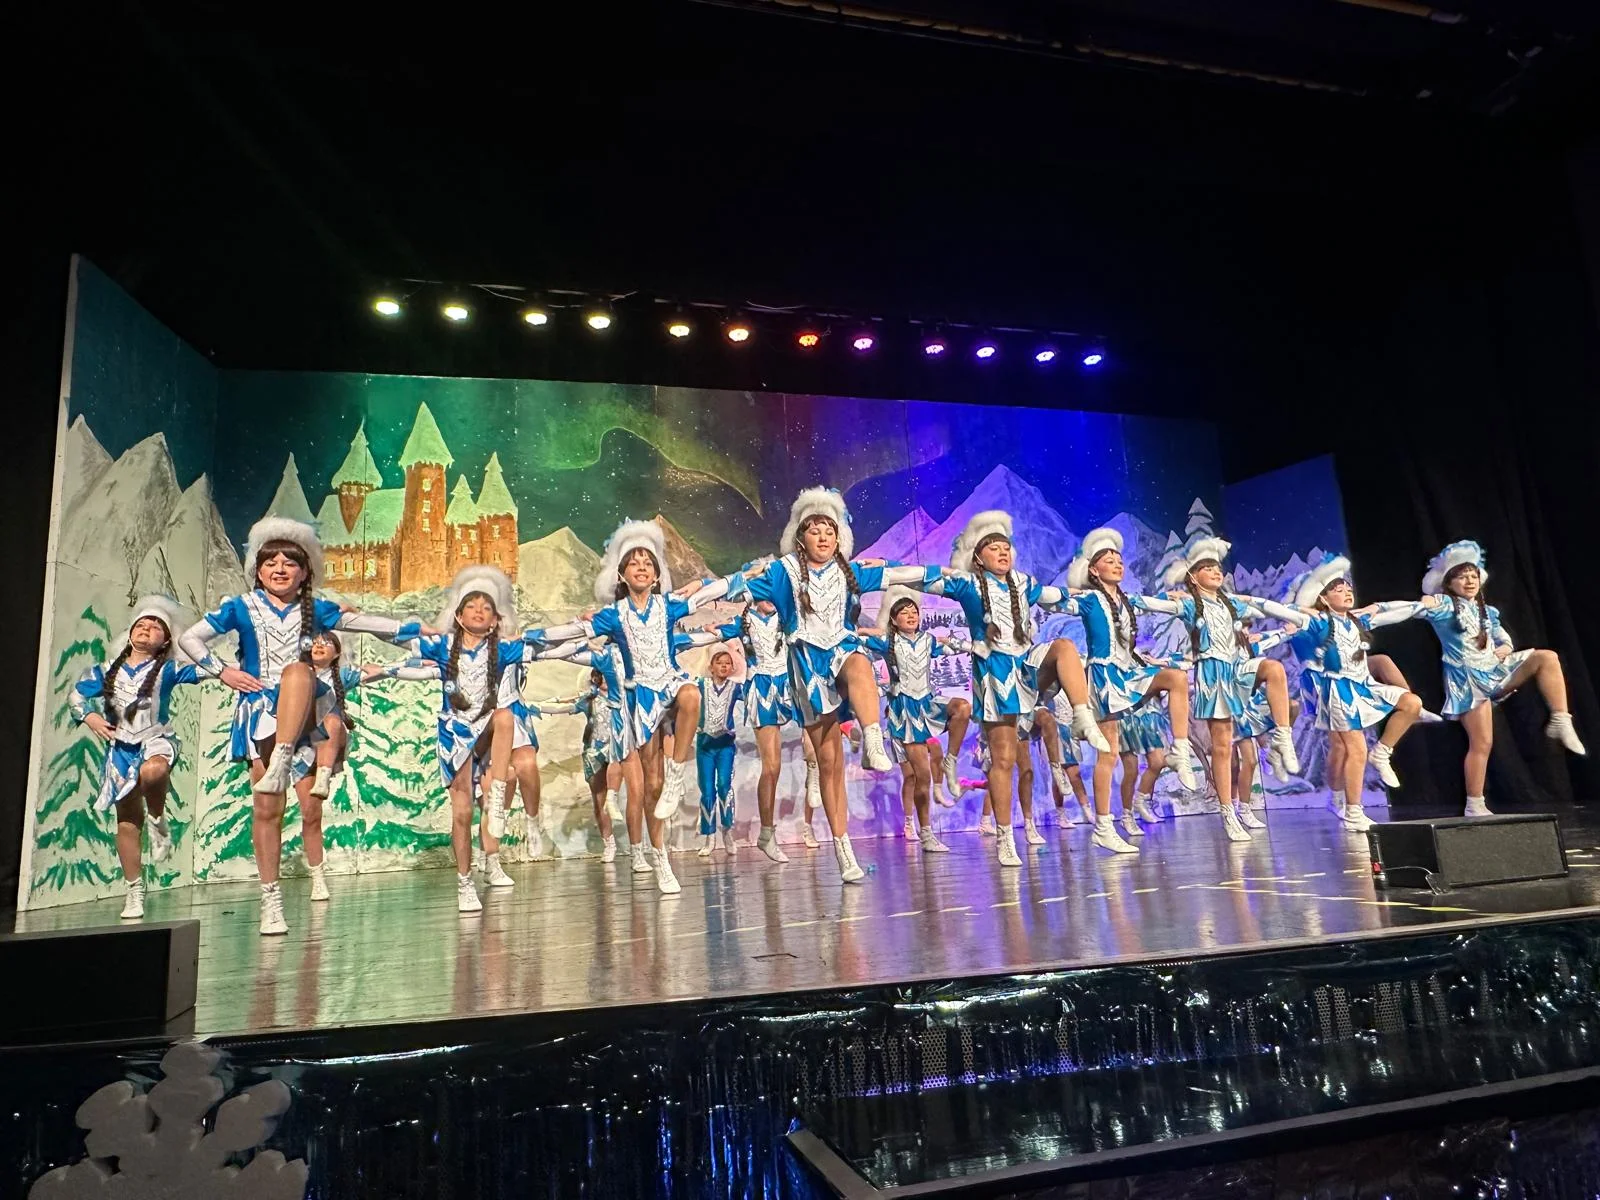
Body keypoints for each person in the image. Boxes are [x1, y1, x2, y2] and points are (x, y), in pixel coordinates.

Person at [179, 518, 420, 935]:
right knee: (267, 808)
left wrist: (420, 631)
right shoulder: (240, 607)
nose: (279, 569)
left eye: (289, 563)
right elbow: (190, 639)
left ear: (305, 573)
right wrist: (223, 671)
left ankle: (290, 762)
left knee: (298, 677)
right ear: (258, 571)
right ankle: (270, 899)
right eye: (270, 562)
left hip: (306, 711)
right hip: (260, 711)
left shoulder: (315, 611)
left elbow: (369, 624)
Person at [742, 488, 943, 882]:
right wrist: (698, 593)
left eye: (829, 530)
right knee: (829, 763)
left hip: (842, 656)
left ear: (839, 538)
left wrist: (945, 576)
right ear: (801, 538)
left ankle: (872, 741)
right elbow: (736, 586)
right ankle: (842, 848)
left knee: (858, 662)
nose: (822, 536)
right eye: (814, 530)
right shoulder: (785, 573)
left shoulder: (851, 573)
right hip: (805, 674)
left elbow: (901, 575)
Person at [925, 510, 1109, 867]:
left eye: (1006, 547)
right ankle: (1005, 836)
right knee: (1005, 759)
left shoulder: (1024, 584)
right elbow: (925, 578)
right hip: (995, 675)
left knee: (1064, 648)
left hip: (1027, 668)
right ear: (979, 557)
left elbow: (1058, 596)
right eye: (993, 548)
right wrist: (884, 571)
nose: (1002, 552)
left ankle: (1083, 717)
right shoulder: (968, 584)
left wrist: (1092, 597)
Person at [1137, 536, 1309, 843]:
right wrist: (1153, 598)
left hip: (1238, 670)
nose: (1216, 571)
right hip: (1213, 673)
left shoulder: (1233, 605)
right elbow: (1155, 605)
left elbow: (1263, 607)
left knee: (1273, 669)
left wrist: (1295, 616)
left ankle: (1281, 739)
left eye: (1218, 567)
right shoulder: (1189, 604)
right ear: (1193, 576)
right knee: (1222, 748)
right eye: (1207, 568)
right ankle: (1228, 811)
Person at [1415, 540, 1585, 816]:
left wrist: (1505, 646)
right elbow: (1418, 608)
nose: (1470, 581)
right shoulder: (1444, 605)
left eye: (1473, 576)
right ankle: (1474, 804)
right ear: (1448, 582)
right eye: (1462, 577)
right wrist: (1421, 603)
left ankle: (1560, 719)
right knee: (1482, 743)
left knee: (1547, 658)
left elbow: (1501, 636)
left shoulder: (1485, 610)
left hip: (1494, 671)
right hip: (1469, 681)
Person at [1061, 527, 1200, 854]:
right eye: (1109, 561)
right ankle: (1104, 826)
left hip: (1128, 675)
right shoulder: (1090, 599)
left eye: (1119, 560)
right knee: (1109, 754)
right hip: (1105, 677)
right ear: (1094, 570)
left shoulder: (1127, 601)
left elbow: (1156, 604)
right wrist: (1058, 594)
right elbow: (1056, 600)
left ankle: (1179, 750)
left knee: (1176, 678)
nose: (1117, 564)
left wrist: (1180, 599)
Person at [71, 596, 199, 920]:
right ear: (130, 633)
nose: (147, 628)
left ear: (165, 640)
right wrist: (90, 717)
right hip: (121, 749)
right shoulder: (105, 671)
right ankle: (134, 890)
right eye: (141, 624)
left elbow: (207, 670)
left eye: (156, 626)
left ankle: (158, 820)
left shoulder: (168, 669)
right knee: (127, 820)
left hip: (156, 739)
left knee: (154, 772)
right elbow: (76, 695)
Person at [860, 586, 972, 854]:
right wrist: (867, 632)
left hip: (928, 704)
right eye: (904, 612)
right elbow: (857, 639)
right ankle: (926, 832)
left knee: (963, 708)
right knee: (921, 776)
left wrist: (975, 646)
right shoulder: (887, 642)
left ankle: (950, 760)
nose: (911, 616)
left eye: (914, 612)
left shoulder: (928, 640)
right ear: (893, 619)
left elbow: (954, 647)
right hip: (905, 713)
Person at [694, 648, 746, 858]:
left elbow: (752, 694)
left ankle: (727, 831)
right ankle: (709, 837)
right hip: (705, 746)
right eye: (719, 662)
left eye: (727, 663)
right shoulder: (701, 684)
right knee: (707, 791)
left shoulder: (735, 687)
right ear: (711, 667)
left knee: (724, 786)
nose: (724, 666)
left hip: (725, 745)